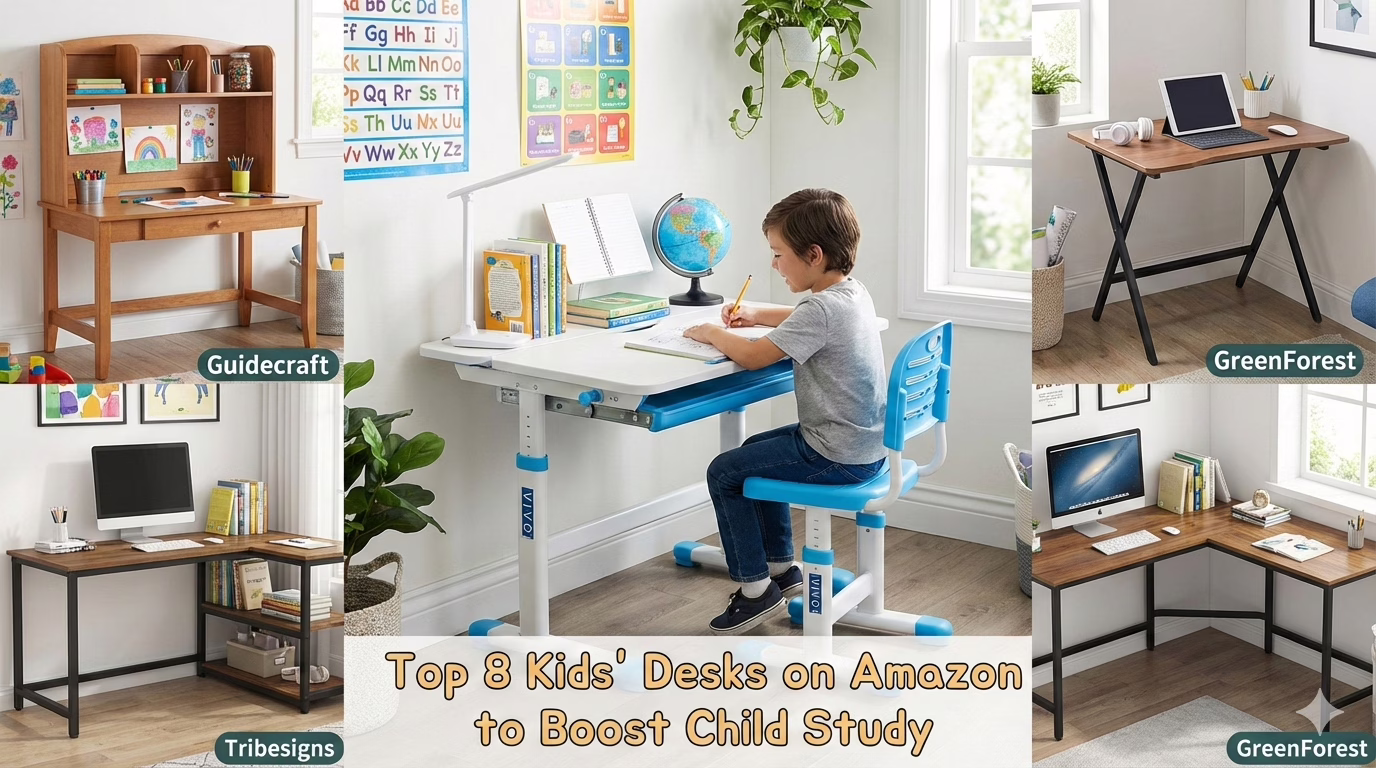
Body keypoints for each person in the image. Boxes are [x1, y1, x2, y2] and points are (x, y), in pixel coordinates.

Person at [682, 188, 887, 634]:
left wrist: (709, 333)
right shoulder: (850, 292)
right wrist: (755, 313)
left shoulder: (821, 311)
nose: (774, 264)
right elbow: (805, 316)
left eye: (779, 255)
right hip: (862, 444)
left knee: (724, 472)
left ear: (813, 255)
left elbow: (755, 357)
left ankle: (755, 592)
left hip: (835, 455)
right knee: (756, 449)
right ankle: (780, 567)